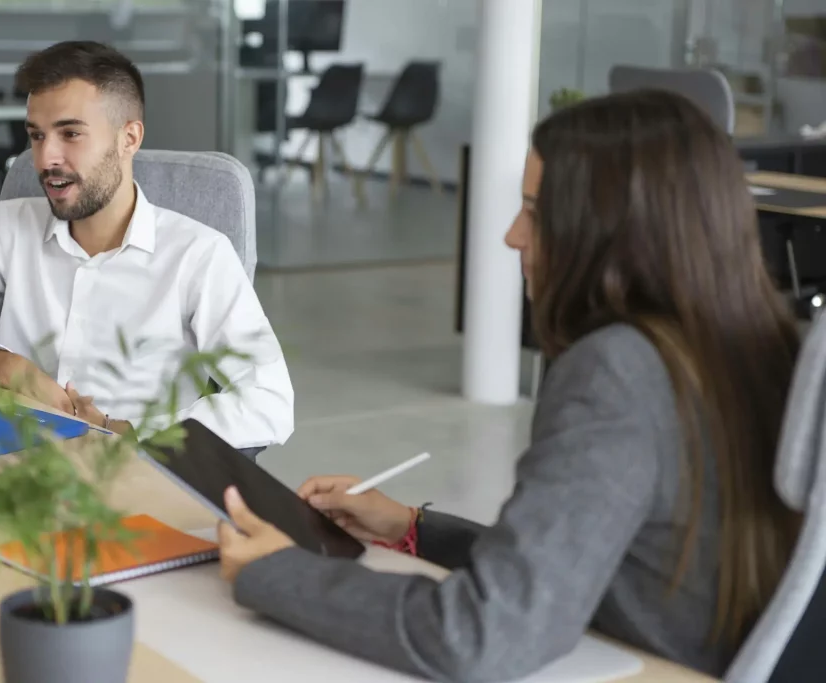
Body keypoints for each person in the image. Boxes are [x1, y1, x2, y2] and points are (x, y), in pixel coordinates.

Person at [214, 89, 804, 681]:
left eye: (536, 214)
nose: (513, 236)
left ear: (612, 232)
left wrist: (277, 571)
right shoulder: (754, 345)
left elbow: (484, 633)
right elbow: (574, 563)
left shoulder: (619, 372)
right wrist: (412, 528)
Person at [0, 41, 293, 451]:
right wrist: (3, 365)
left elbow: (269, 402)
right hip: (7, 461)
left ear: (129, 138)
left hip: (130, 468)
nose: (45, 159)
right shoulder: (8, 226)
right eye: (37, 136)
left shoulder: (198, 255)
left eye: (70, 133)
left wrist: (129, 431)